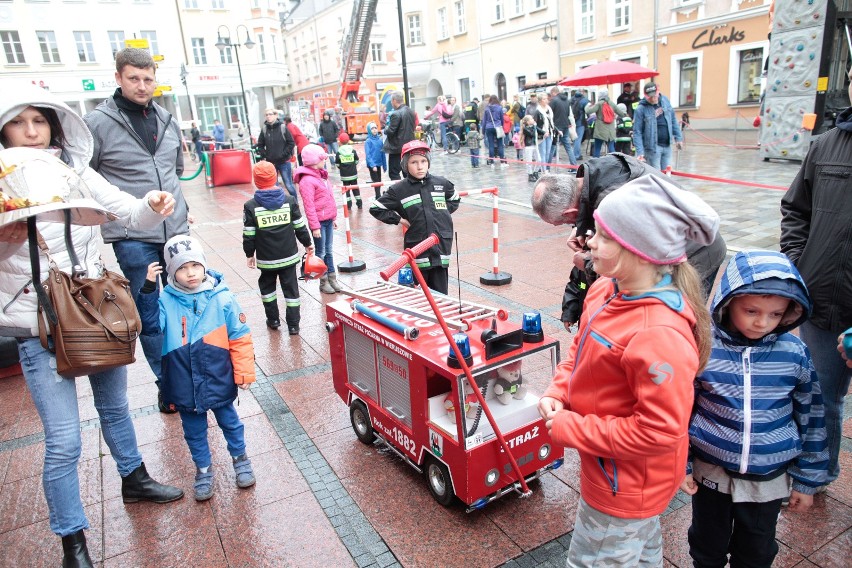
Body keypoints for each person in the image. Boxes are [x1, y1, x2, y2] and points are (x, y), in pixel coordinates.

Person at [0, 84, 184, 567]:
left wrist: (154, 203)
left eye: (40, 121)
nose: (33, 131)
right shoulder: (1, 179)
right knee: (63, 441)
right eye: (21, 122)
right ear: (4, 129)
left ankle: (134, 478)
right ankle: (72, 540)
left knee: (116, 407)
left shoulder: (73, 170)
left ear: (55, 125)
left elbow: (127, 209)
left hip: (95, 309)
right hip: (38, 322)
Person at [538, 173, 717, 567]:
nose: (588, 243)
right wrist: (558, 390)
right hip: (612, 470)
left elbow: (658, 430)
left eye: (602, 236)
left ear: (639, 250)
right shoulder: (606, 288)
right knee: (639, 552)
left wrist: (572, 428)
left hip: (625, 485)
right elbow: (580, 348)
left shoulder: (657, 334)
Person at [680, 250, 828, 568]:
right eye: (751, 310)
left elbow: (812, 415)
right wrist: (681, 464)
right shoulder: (704, 346)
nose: (762, 322)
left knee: (757, 550)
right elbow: (682, 410)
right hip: (712, 471)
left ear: (790, 311)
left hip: (768, 477)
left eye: (776, 314)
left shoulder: (794, 352)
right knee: (707, 544)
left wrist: (808, 480)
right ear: (727, 302)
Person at [84, 47, 190, 414]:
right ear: (118, 78)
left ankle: (187, 373)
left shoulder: (166, 117)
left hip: (174, 230)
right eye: (134, 78)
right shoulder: (96, 122)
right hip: (131, 236)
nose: (142, 86)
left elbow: (175, 168)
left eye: (148, 79)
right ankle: (169, 385)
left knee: (183, 306)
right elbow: (87, 176)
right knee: (149, 315)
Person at [530, 155, 727, 327]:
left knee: (678, 319)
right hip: (682, 249)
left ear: (570, 212)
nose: (591, 240)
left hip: (696, 252)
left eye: (566, 222)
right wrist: (580, 226)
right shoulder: (597, 174)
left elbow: (625, 266)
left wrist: (587, 263)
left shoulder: (614, 203)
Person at [137, 236, 256, 502]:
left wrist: (244, 372)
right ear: (171, 272)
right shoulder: (166, 300)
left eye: (194, 265)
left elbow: (239, 335)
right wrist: (147, 290)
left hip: (218, 375)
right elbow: (150, 326)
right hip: (183, 381)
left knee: (231, 422)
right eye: (181, 268)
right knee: (193, 431)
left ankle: (240, 459)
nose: (190, 272)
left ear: (203, 265)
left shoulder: (222, 298)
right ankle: (203, 470)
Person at [780, 67, 852, 488]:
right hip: (823, 300)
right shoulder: (825, 145)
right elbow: (795, 209)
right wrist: (797, 261)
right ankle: (817, 474)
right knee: (822, 396)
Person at [370, 140, 460, 295]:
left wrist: (442, 214)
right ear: (405, 165)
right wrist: (399, 219)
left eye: (423, 161)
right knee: (419, 296)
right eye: (414, 162)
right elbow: (376, 208)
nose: (420, 166)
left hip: (441, 249)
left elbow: (454, 198)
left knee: (441, 297)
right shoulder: (399, 190)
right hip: (417, 250)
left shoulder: (441, 183)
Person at [243, 161, 314, 334]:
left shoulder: (251, 206)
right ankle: (293, 325)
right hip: (289, 257)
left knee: (267, 289)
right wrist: (307, 244)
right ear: (275, 178)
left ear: (256, 181)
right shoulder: (289, 201)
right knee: (291, 290)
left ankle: (273, 320)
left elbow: (249, 234)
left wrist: (249, 254)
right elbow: (299, 226)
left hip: (267, 260)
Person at [294, 144, 341, 295]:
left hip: (327, 220)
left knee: (329, 251)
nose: (325, 161)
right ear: (314, 161)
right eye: (322, 158)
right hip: (319, 223)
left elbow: (329, 199)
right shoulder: (307, 181)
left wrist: (333, 217)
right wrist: (315, 227)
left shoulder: (322, 176)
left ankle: (333, 278)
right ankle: (324, 281)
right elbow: (309, 206)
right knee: (321, 252)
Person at [633, 83, 684, 171]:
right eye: (650, 97)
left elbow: (673, 120)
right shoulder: (641, 109)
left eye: (655, 96)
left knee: (667, 175)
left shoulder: (665, 101)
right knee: (656, 176)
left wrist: (678, 138)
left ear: (658, 92)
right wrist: (640, 153)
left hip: (667, 145)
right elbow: (637, 132)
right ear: (645, 96)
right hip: (652, 148)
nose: (653, 99)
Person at [256, 108, 297, 198]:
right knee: (274, 187)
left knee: (289, 185)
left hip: (284, 162)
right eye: (266, 115)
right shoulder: (264, 129)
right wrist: (265, 155)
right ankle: (278, 204)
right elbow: (260, 144)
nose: (268, 116)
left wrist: (283, 154)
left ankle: (295, 204)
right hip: (271, 163)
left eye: (270, 114)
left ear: (276, 115)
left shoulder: (282, 127)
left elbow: (291, 143)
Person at [382, 91, 416, 180]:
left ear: (394, 100)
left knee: (394, 173)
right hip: (409, 147)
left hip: (397, 148)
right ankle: (409, 191)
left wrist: (385, 129)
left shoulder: (396, 114)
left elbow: (391, 131)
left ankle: (400, 192)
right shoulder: (411, 111)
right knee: (407, 172)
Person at [585, 90, 625, 158]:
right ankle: (615, 160)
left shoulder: (599, 104)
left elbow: (588, 111)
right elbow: (621, 113)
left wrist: (587, 106)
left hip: (600, 130)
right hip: (610, 130)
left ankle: (596, 163)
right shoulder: (612, 104)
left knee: (597, 148)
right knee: (611, 147)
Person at [548, 86, 577, 166]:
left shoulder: (554, 101)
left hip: (556, 126)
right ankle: (574, 165)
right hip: (565, 125)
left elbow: (549, 113)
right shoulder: (567, 100)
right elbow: (568, 113)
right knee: (568, 146)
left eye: (551, 94)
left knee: (552, 146)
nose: (551, 96)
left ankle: (547, 166)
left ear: (554, 92)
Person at [336, 132, 361, 209]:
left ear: (340, 141)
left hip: (344, 176)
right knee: (355, 189)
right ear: (348, 140)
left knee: (346, 191)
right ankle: (359, 204)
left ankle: (349, 206)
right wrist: (352, 166)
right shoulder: (352, 150)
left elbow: (337, 164)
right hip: (353, 174)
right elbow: (357, 160)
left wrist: (342, 168)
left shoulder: (339, 152)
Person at [482, 95, 506, 167]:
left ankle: (492, 162)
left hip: (489, 128)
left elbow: (484, 121)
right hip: (498, 127)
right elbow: (502, 119)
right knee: (500, 145)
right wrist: (502, 127)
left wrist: (483, 131)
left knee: (491, 145)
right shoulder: (499, 108)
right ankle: (502, 162)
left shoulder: (487, 109)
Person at [364, 121, 386, 197]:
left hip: (378, 164)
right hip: (372, 165)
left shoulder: (380, 140)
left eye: (375, 128)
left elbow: (383, 153)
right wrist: (372, 165)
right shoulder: (368, 141)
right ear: (369, 130)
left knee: (379, 180)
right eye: (372, 129)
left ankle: (378, 194)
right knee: (376, 181)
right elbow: (368, 154)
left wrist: (384, 165)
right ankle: (378, 195)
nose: (374, 130)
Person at [521, 114, 543, 182]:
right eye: (531, 119)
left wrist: (545, 133)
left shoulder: (534, 127)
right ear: (527, 122)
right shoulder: (525, 128)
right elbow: (532, 134)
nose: (533, 120)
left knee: (539, 159)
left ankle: (535, 172)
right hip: (529, 146)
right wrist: (534, 126)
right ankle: (530, 174)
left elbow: (540, 131)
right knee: (529, 161)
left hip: (535, 145)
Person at [571, 88, 590, 160]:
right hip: (580, 122)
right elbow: (588, 111)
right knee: (578, 139)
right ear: (582, 92)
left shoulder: (571, 99)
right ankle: (576, 155)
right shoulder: (584, 100)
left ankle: (576, 153)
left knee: (574, 138)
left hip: (572, 122)